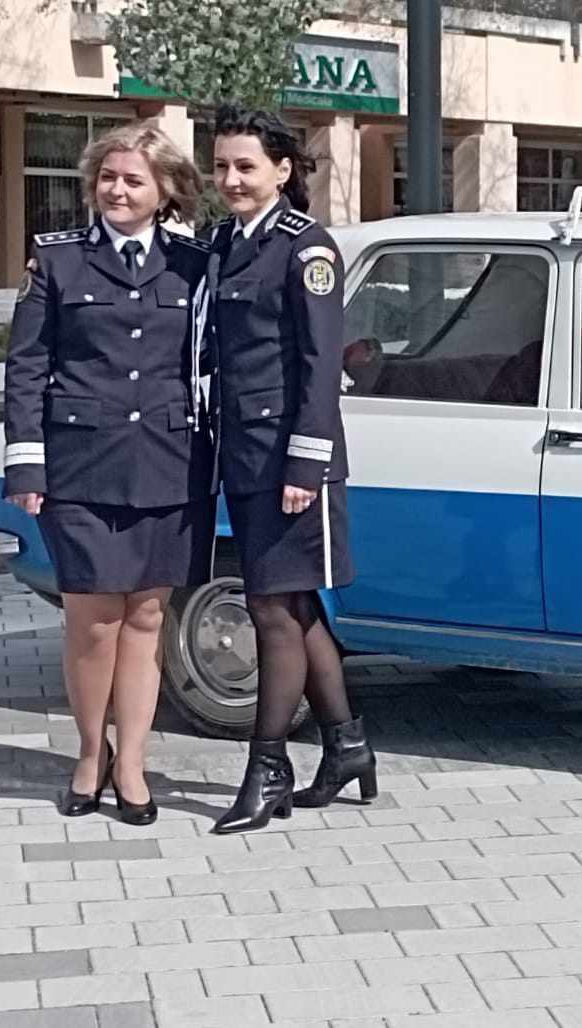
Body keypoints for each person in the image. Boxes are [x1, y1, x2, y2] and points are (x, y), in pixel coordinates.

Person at [3, 122, 214, 826]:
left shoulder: (195, 265)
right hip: (80, 467)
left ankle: (133, 765)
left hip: (169, 462)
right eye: (108, 178)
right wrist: (26, 460)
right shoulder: (57, 259)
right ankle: (91, 754)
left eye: (133, 180)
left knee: (147, 616)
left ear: (166, 191)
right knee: (93, 621)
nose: (116, 191)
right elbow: (26, 366)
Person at [206, 105, 372, 835]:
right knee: (292, 609)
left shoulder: (307, 248)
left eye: (246, 166)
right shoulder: (224, 242)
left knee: (272, 611)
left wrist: (306, 462)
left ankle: (267, 767)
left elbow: (319, 364)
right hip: (244, 455)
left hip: (291, 462)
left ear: (281, 170)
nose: (231, 179)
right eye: (221, 166)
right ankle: (348, 747)